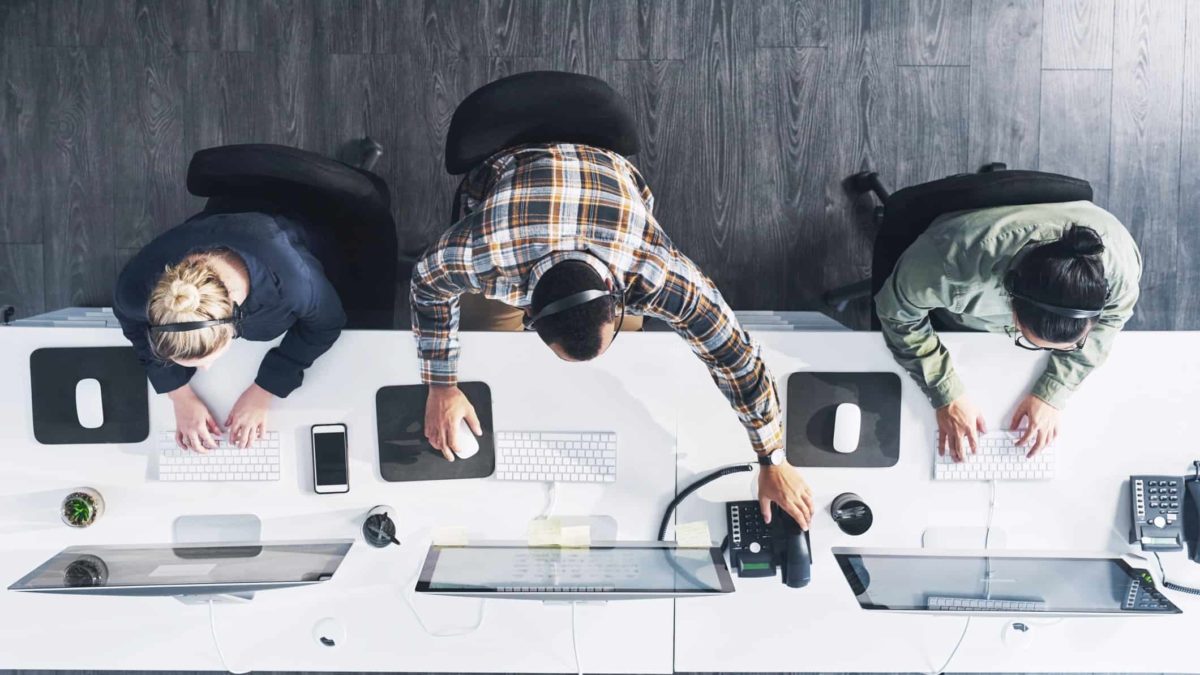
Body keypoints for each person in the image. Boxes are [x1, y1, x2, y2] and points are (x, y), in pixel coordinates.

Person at [410, 143, 814, 528]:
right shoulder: (485, 254)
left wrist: (773, 459)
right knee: (487, 350)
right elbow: (427, 284)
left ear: (615, 296)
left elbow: (736, 358)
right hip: (512, 172)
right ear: (527, 312)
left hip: (609, 196)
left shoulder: (654, 271)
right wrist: (442, 386)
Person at [875, 200, 1142, 461]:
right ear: (1011, 307)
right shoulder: (946, 266)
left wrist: (1054, 390)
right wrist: (947, 394)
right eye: (1028, 340)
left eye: (1074, 343)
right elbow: (897, 315)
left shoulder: (1121, 267)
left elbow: (1112, 319)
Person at [114, 208, 346, 451]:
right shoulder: (135, 290)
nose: (206, 368)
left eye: (207, 359)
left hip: (309, 224)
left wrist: (266, 388)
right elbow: (133, 324)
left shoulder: (293, 285)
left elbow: (327, 323)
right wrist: (179, 394)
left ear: (233, 322)